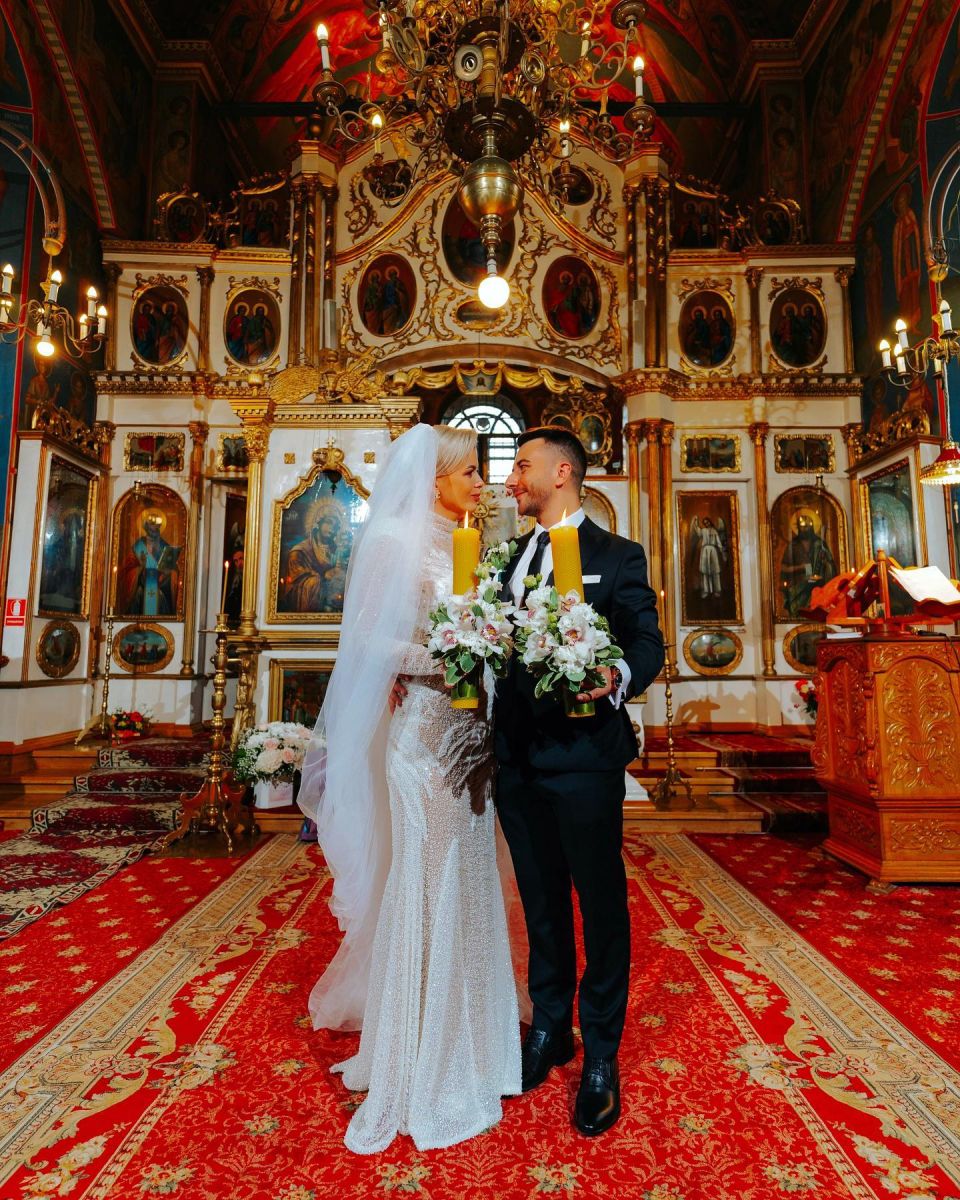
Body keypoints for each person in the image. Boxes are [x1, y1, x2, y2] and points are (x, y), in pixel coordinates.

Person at [298, 424, 522, 1154]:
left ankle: (474, 1036)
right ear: (436, 476)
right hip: (423, 734)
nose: (481, 485)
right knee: (430, 878)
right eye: (471, 473)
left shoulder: (467, 542)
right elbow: (369, 641)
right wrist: (451, 652)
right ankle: (420, 1047)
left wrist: (492, 644)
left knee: (469, 873)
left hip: (472, 729)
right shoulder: (394, 541)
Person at [495, 427, 664, 1136]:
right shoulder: (505, 560)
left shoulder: (616, 555)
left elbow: (646, 640)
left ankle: (600, 1054)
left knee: (599, 905)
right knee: (540, 902)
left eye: (521, 466)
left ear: (561, 472)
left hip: (586, 757)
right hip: (516, 758)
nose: (510, 480)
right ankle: (549, 1029)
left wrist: (616, 673)